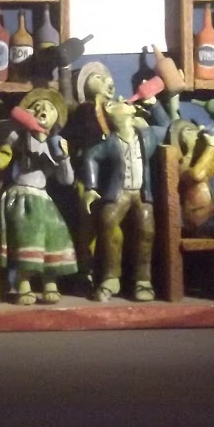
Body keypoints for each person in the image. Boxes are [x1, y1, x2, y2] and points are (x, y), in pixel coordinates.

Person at [78, 94, 170, 302]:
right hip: (120, 192)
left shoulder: (147, 136)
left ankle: (143, 280)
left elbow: (168, 127)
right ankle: (111, 278)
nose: (120, 100)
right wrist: (91, 187)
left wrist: (155, 104)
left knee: (147, 229)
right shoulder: (110, 142)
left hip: (141, 192)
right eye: (113, 104)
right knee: (107, 219)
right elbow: (91, 156)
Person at [0, 88, 77, 305]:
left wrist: (64, 158)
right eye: (37, 107)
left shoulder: (54, 144)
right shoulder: (21, 138)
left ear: (56, 118)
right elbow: (1, 131)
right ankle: (23, 283)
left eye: (49, 108)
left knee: (53, 235)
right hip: (22, 197)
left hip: (43, 198)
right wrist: (21, 120)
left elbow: (66, 180)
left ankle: (50, 282)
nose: (43, 111)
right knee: (27, 235)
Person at [167, 117, 214, 234]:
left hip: (212, 216)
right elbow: (196, 175)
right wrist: (213, 146)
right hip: (199, 225)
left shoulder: (203, 165)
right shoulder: (183, 171)